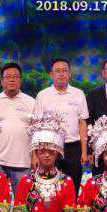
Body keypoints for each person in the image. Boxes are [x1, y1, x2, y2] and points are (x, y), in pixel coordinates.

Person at [34, 58, 89, 194]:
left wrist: (84, 152)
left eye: (65, 71)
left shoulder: (78, 94)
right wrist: (34, 155)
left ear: (69, 74)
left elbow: (82, 123)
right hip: (50, 148)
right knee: (49, 186)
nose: (61, 74)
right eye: (58, 71)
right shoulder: (42, 95)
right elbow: (37, 126)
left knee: (73, 186)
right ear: (51, 74)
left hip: (73, 147)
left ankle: (72, 208)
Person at [0, 62, 36, 192]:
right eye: (8, 76)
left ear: (21, 80)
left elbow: (37, 132)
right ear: (1, 81)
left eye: (16, 76)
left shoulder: (32, 102)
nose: (12, 79)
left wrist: (35, 156)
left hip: (24, 162)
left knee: (22, 200)